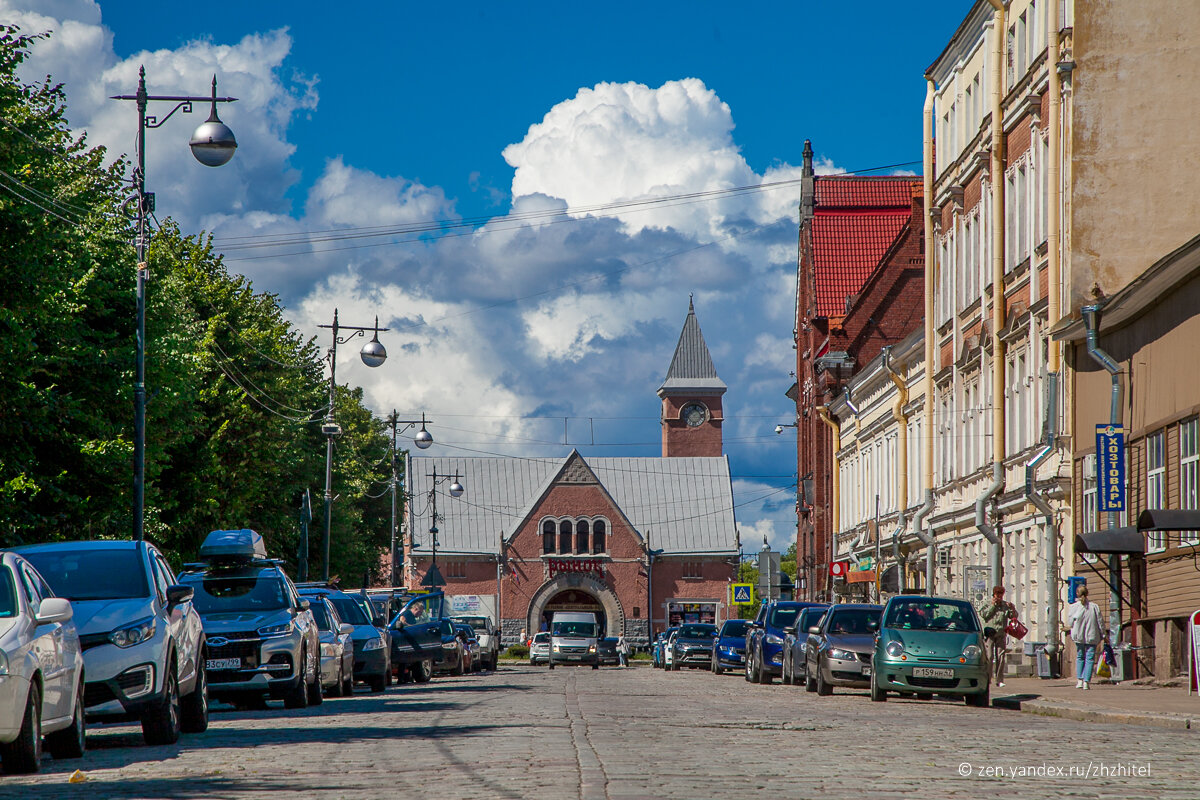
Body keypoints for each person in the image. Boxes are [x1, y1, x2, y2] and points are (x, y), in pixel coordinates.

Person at [1068, 585, 1107, 690]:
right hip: (1092, 635)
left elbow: (1070, 622)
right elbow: (1100, 622)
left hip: (1079, 636)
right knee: (1090, 659)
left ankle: (1079, 680)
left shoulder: (1074, 607)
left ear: (1077, 594)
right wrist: (1103, 634)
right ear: (1087, 593)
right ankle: (1086, 682)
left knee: (1080, 657)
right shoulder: (1094, 607)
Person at [981, 585, 1015, 688]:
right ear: (994, 594)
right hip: (990, 634)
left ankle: (999, 680)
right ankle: (987, 678)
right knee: (989, 656)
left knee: (1001, 656)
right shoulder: (987, 603)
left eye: (1001, 595)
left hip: (1001, 634)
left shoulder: (1005, 605)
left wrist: (1012, 609)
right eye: (997, 595)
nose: (999, 597)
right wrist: (993, 606)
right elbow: (984, 615)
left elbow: (1013, 616)